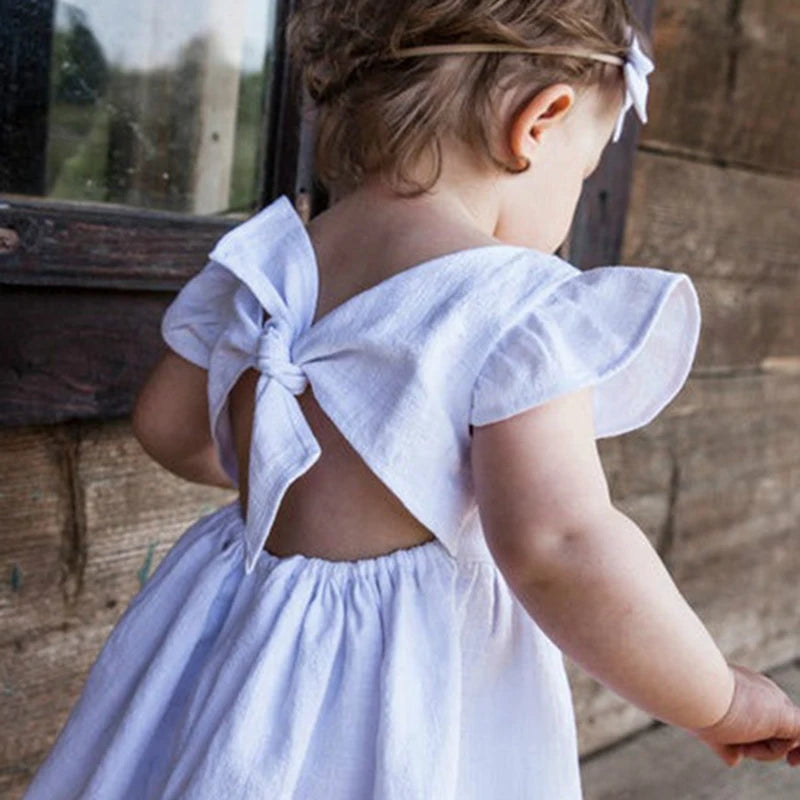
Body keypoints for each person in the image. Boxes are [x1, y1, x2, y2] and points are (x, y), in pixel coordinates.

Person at [23, 1, 800, 798]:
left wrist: (301, 465)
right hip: (391, 686)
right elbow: (560, 544)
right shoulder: (512, 306)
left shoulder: (278, 256)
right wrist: (718, 696)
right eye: (586, 165)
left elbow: (166, 424)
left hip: (236, 638)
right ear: (541, 122)